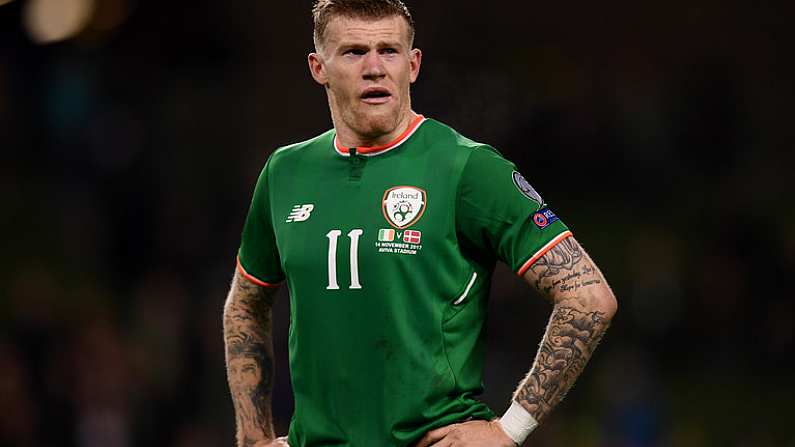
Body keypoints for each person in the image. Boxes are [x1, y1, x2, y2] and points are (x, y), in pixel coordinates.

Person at [223, 1, 618, 446]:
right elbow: (246, 303)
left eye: (388, 51)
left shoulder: (467, 168)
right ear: (319, 68)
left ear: (413, 65)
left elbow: (588, 298)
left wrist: (510, 429)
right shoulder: (285, 172)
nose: (374, 68)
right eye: (354, 52)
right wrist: (254, 437)